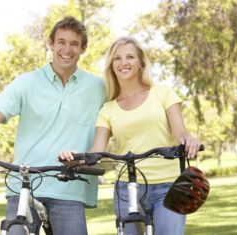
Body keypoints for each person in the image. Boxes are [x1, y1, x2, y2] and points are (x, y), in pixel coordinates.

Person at [0, 16, 106, 235]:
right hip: (24, 186)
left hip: (70, 188)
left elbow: (123, 113)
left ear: (83, 49)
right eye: (61, 42)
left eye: (74, 44)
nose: (67, 49)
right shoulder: (26, 82)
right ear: (51, 43)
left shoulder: (98, 87)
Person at [59, 36, 201, 235]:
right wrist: (75, 160)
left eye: (130, 57)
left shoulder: (163, 93)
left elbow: (181, 133)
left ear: (141, 63)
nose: (123, 63)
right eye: (117, 58)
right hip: (127, 188)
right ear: (111, 65)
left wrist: (189, 141)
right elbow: (97, 152)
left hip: (168, 187)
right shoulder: (107, 109)